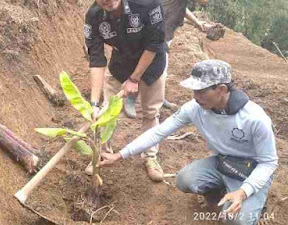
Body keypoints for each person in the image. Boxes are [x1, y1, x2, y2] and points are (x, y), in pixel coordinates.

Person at [101, 59, 278, 225]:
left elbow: (269, 162)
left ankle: (256, 202)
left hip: (252, 170)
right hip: (223, 162)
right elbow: (158, 132)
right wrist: (120, 154)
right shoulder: (195, 108)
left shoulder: (255, 119)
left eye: (201, 91)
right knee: (185, 180)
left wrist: (243, 191)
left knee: (235, 220)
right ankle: (220, 191)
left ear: (222, 89)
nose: (195, 96)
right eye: (194, 90)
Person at [83, 0, 168, 181]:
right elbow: (96, 58)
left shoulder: (148, 4)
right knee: (106, 111)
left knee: (151, 112)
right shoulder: (94, 15)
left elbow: (154, 44)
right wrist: (93, 103)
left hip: (152, 63)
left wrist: (134, 78)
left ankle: (150, 156)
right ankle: (101, 153)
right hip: (120, 63)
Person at [123, 0, 214, 118]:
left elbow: (181, 9)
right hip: (153, 33)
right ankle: (131, 98)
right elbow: (203, 1)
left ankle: (159, 96)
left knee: (161, 69)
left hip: (166, 33)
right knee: (143, 65)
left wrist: (197, 23)